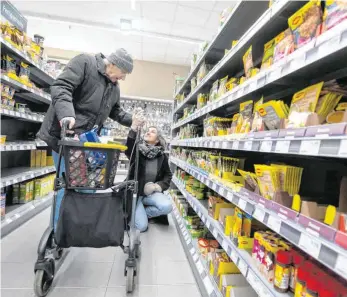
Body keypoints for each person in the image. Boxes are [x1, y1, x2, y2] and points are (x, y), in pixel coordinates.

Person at [37, 48, 143, 229]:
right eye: (123, 73)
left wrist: (132, 120)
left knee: (88, 185)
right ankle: (57, 235)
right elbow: (61, 87)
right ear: (113, 64)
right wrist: (66, 114)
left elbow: (115, 111)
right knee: (67, 184)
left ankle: (75, 226)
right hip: (65, 138)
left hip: (87, 142)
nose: (123, 78)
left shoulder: (113, 86)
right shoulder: (84, 63)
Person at [125, 120, 173, 232]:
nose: (148, 132)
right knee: (141, 227)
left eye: (153, 132)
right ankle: (138, 212)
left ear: (157, 140)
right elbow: (129, 146)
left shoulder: (162, 156)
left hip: (152, 193)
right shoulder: (137, 151)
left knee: (167, 207)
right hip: (136, 194)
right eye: (147, 131)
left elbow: (168, 175)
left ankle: (144, 212)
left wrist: (157, 187)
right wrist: (133, 129)